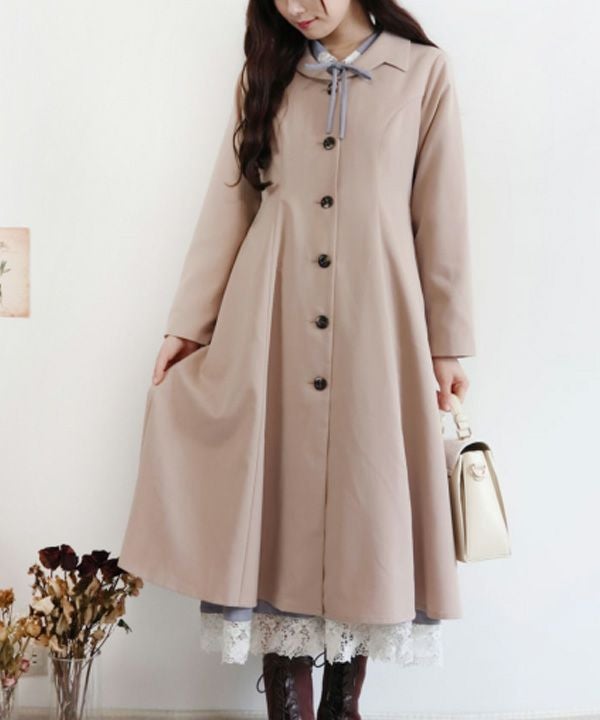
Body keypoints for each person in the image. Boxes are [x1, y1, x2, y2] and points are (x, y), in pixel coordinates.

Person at [118, 1, 477, 717]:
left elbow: (442, 215)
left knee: (369, 506)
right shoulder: (267, 72)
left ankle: (344, 705)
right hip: (270, 321)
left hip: (379, 329)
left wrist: (447, 344)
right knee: (272, 504)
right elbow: (230, 205)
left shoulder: (423, 73)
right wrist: (189, 326)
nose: (297, 6)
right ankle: (287, 704)